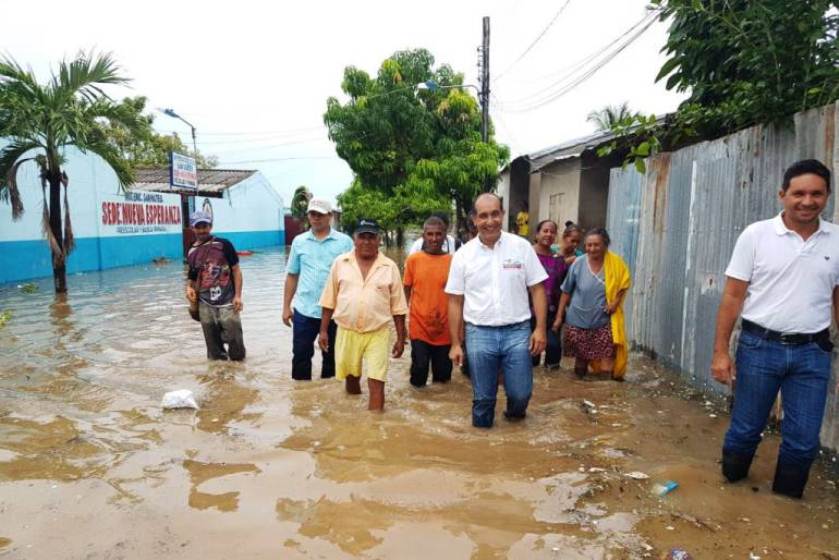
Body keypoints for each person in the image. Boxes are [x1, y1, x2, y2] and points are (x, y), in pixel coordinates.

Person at [712, 159, 839, 499]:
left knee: (803, 442)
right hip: (758, 348)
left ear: (827, 196)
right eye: (799, 193)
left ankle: (785, 505)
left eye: (817, 194)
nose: (807, 201)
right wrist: (721, 352)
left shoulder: (836, 240)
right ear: (783, 194)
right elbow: (732, 297)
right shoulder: (756, 235)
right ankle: (730, 495)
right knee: (745, 430)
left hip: (813, 354)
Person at [446, 193, 548, 428]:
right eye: (483, 216)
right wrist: (455, 343)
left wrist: (540, 329)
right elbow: (455, 301)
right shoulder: (463, 256)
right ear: (474, 219)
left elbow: (538, 290)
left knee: (521, 394)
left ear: (502, 215)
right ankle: (481, 453)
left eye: (494, 214)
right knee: (483, 399)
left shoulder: (521, 247)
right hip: (479, 333)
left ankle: (514, 423)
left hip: (518, 331)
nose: (489, 221)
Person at [319, 218, 408, 411]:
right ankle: (355, 421)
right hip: (347, 330)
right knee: (351, 378)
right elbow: (329, 300)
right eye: (362, 237)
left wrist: (401, 339)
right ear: (355, 239)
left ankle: (375, 425)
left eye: (371, 237)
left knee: (377, 381)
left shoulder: (390, 267)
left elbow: (399, 308)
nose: (367, 241)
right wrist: (323, 331)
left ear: (379, 240)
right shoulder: (340, 263)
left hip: (378, 332)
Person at [282, 197, 353, 380]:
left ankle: (328, 402)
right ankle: (301, 401)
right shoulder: (299, 242)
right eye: (312, 214)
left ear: (330, 216)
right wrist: (286, 307)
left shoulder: (345, 242)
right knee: (300, 357)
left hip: (335, 312)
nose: (316, 218)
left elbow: (353, 277)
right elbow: (292, 275)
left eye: (320, 214)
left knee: (333, 360)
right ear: (308, 216)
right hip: (305, 310)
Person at [554, 228, 630, 380]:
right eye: (588, 245)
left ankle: (604, 397)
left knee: (607, 363)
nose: (592, 249)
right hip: (577, 320)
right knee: (580, 365)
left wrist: (615, 302)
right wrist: (559, 317)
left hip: (603, 320)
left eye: (596, 245)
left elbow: (624, 284)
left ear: (605, 245)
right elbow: (566, 291)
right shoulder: (578, 263)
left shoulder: (616, 263)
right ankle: (580, 394)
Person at [185, 211, 246, 361]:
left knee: (236, 342)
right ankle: (218, 379)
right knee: (214, 350)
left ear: (210, 226)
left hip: (227, 302)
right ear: (193, 228)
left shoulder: (224, 244)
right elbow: (192, 276)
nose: (201, 230)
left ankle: (239, 373)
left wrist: (238, 296)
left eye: (204, 226)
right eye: (198, 227)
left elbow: (236, 270)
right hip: (205, 304)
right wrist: (189, 288)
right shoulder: (191, 251)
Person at [404, 216, 453, 387]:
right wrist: (403, 322)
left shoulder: (453, 262)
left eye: (438, 234)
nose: (434, 239)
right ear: (423, 236)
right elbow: (406, 292)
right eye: (430, 234)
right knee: (419, 370)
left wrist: (460, 331)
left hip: (445, 328)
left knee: (443, 379)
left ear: (445, 236)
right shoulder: (413, 260)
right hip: (419, 326)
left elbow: (459, 298)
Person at [531, 220, 569, 369]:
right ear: (537, 234)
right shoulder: (527, 255)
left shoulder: (559, 260)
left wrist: (560, 316)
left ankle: (553, 389)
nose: (549, 234)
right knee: (530, 356)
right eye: (545, 231)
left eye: (552, 231)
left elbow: (564, 289)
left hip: (552, 314)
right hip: (529, 314)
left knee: (553, 351)